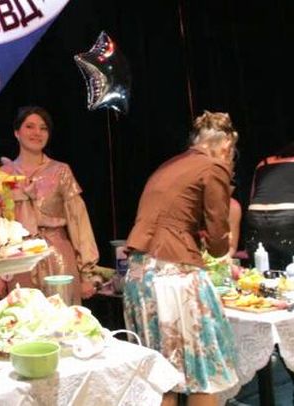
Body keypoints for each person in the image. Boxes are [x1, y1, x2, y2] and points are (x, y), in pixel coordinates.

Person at [123, 111, 239, 405]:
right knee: (204, 375)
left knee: (161, 380)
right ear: (226, 146)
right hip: (174, 277)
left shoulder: (168, 166)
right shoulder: (213, 166)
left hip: (139, 277)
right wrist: (217, 244)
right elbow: (217, 241)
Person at [0, 106, 101, 305]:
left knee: (63, 316)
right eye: (30, 126)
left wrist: (86, 273)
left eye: (43, 128)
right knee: (24, 317)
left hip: (58, 256)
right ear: (16, 132)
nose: (37, 132)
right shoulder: (3, 175)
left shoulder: (60, 171)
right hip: (20, 260)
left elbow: (79, 221)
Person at [245, 141, 294, 270]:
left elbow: (252, 197)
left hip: (256, 216)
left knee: (262, 268)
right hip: (288, 215)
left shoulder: (264, 163)